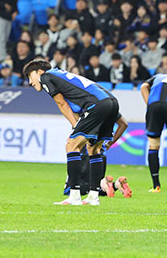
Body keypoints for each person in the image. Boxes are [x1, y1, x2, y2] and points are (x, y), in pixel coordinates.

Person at [23, 59, 127, 206]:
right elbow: (123, 123)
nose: (30, 82)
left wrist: (75, 128)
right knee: (94, 149)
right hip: (111, 102)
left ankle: (74, 196)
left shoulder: (46, 77)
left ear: (39, 72)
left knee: (71, 146)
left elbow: (62, 104)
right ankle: (93, 197)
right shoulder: (64, 78)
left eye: (30, 76)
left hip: (96, 106)